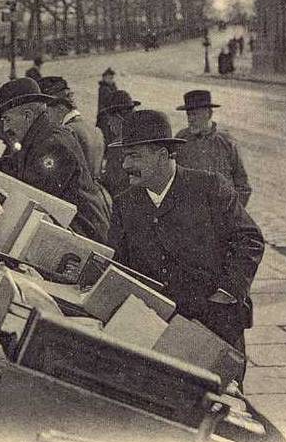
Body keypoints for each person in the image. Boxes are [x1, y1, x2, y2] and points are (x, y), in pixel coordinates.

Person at [107, 110, 264, 358]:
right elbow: (120, 263)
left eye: (133, 157)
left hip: (215, 324)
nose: (126, 166)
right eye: (125, 157)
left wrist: (226, 294)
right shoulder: (125, 204)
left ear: (161, 155)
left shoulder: (210, 188)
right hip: (156, 329)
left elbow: (250, 240)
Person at [0, 77, 110, 243]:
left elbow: (31, 193)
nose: (5, 128)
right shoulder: (39, 137)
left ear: (27, 115)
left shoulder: (53, 144)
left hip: (84, 237)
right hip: (72, 230)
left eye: (7, 120)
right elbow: (12, 165)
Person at [174, 90, 252, 207]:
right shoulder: (181, 140)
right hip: (190, 212)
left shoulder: (227, 143)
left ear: (209, 114)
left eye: (195, 114)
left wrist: (231, 213)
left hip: (221, 213)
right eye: (188, 114)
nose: (190, 119)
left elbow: (242, 185)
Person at [39, 76, 105, 180]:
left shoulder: (66, 133)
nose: (47, 117)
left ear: (60, 108)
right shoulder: (95, 130)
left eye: (47, 111)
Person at [97, 89, 140, 199]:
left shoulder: (117, 146)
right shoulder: (144, 138)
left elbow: (111, 183)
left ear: (119, 118)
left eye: (110, 118)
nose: (108, 123)